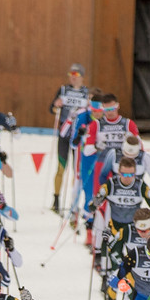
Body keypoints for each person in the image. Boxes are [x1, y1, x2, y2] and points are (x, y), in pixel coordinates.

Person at [51, 64, 91, 213]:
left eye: (76, 74)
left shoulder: (86, 93)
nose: (73, 77)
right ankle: (56, 200)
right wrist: (56, 105)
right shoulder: (63, 90)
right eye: (71, 74)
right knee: (61, 167)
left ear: (82, 76)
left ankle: (75, 201)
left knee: (77, 170)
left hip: (79, 136)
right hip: (64, 133)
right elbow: (52, 109)